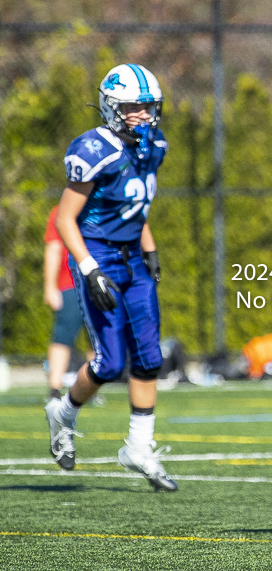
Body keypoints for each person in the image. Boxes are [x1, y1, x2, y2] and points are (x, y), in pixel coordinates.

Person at [44, 63, 177, 492]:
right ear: (112, 107)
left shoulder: (152, 145)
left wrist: (150, 246)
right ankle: (62, 413)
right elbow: (66, 219)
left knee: (150, 357)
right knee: (110, 362)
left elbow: (136, 209)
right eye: (134, 107)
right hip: (97, 254)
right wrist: (88, 268)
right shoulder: (93, 149)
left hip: (134, 256)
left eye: (148, 106)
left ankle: (139, 447)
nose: (143, 114)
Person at [44, 205, 94, 404]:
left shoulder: (102, 206)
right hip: (70, 284)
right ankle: (54, 389)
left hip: (98, 283)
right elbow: (54, 248)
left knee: (97, 339)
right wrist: (49, 286)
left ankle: (91, 387)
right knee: (62, 336)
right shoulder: (60, 210)